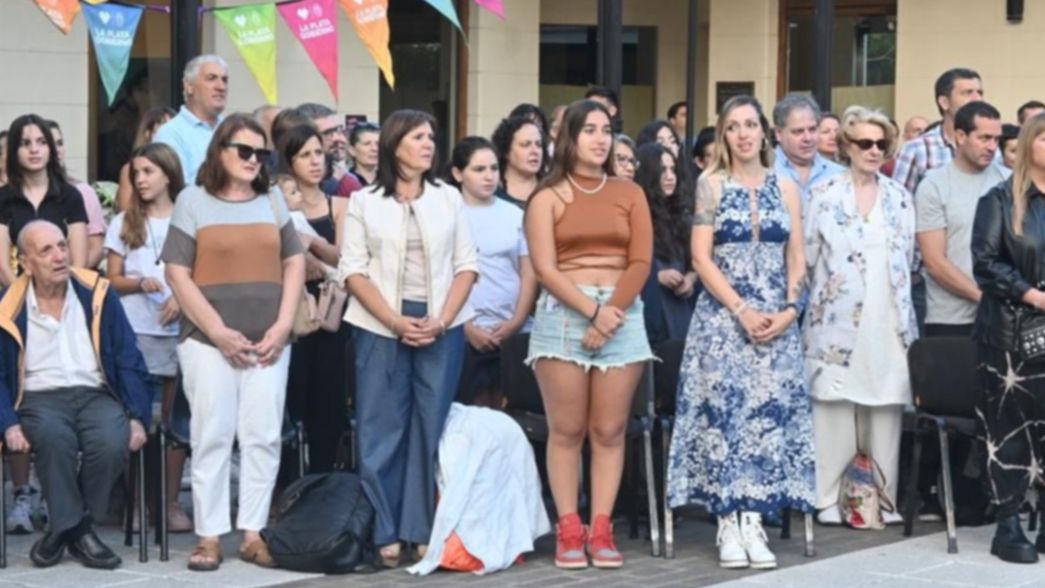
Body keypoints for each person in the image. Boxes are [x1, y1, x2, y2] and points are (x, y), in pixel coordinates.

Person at [667, 95, 813, 571]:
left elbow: (797, 256)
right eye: (734, 126)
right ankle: (728, 520)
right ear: (723, 134)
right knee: (725, 417)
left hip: (777, 317)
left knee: (767, 418)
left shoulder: (786, 187)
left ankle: (756, 517)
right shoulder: (711, 185)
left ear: (765, 132)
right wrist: (741, 309)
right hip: (724, 321)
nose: (744, 133)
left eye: (752, 124)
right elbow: (701, 258)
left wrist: (791, 310)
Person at [162, 114, 306, 571]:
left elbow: (295, 261)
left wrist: (284, 325)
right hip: (207, 341)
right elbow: (177, 273)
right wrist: (218, 332)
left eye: (260, 153)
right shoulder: (192, 200)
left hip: (269, 340)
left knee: (263, 436)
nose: (252, 160)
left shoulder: (273, 200)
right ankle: (208, 536)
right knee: (212, 435)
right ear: (219, 151)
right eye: (243, 150)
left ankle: (252, 531)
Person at [339, 109, 478, 567]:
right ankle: (385, 528)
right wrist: (396, 321)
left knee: (429, 426)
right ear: (395, 144)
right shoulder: (364, 202)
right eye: (419, 137)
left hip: (442, 323)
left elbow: (466, 265)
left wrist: (441, 319)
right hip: (379, 324)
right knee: (381, 428)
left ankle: (420, 528)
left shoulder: (448, 198)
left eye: (431, 137)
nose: (428, 145)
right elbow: (353, 270)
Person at [525, 99, 654, 570]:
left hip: (621, 312)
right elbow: (544, 266)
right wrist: (591, 312)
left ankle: (601, 526)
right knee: (567, 429)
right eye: (590, 130)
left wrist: (610, 312)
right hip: (564, 312)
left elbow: (641, 260)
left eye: (607, 130)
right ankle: (568, 526)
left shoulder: (629, 192)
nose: (601, 139)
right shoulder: (547, 195)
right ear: (570, 138)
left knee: (609, 429)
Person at [0, 220, 152, 570]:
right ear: (25, 262)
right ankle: (82, 532)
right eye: (46, 250)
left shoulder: (97, 291)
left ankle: (63, 530)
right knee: (54, 439)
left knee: (113, 441)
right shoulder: (9, 307)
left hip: (96, 392)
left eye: (62, 246)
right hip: (39, 396)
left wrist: (136, 416)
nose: (59, 256)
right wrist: (8, 423)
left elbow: (128, 357)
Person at [803, 105, 917, 527]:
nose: (874, 151)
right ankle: (828, 498)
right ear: (847, 146)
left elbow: (910, 258)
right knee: (833, 407)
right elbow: (808, 259)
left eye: (881, 144)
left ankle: (882, 498)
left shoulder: (900, 197)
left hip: (888, 317)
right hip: (835, 319)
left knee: (885, 408)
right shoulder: (823, 194)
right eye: (865, 143)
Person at [104, 142, 192, 533]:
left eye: (148, 172)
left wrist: (180, 298)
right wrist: (140, 283)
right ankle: (136, 503)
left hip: (179, 331)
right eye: (135, 173)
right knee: (136, 419)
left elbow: (203, 270)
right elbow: (112, 279)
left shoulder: (190, 217)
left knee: (175, 422)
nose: (140, 180)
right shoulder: (124, 221)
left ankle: (170, 501)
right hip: (136, 332)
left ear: (168, 174)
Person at [971, 112, 1045, 564]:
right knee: (1011, 429)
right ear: (1033, 143)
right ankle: (1009, 525)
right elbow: (985, 263)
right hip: (1010, 333)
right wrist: (1032, 294)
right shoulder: (1000, 199)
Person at [279, 124, 348, 474]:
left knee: (329, 405)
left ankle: (324, 485)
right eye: (305, 155)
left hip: (331, 318)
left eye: (318, 153)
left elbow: (346, 258)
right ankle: (285, 486)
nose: (314, 161)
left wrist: (312, 246)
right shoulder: (275, 206)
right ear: (290, 162)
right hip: (289, 316)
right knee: (289, 404)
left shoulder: (341, 204)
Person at [448, 136, 537, 407]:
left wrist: (516, 321)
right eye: (479, 169)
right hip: (461, 333)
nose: (489, 176)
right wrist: (467, 328)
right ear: (457, 173)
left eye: (494, 168)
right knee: (472, 413)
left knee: (513, 413)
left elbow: (529, 273)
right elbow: (437, 279)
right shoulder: (447, 215)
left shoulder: (515, 214)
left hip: (514, 332)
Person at [918, 101, 1008, 338]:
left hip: (1007, 318)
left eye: (996, 140)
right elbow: (935, 262)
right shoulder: (934, 186)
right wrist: (985, 299)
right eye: (984, 138)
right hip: (950, 319)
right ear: (960, 136)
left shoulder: (1009, 182)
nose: (992, 147)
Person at [0, 115, 88, 284]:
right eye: (25, 143)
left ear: (50, 149)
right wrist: (24, 300)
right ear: (14, 151)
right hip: (16, 296)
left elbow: (79, 263)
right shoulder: (3, 198)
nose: (34, 149)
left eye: (42, 142)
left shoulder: (71, 196)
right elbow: (2, 266)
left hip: (65, 295)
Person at [635, 143, 696, 344]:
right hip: (650, 311)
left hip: (681, 310)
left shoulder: (682, 215)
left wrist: (690, 279)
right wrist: (657, 276)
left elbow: (696, 261)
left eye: (673, 169)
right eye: (662, 170)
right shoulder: (635, 214)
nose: (670, 176)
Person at [892, 68, 984, 194]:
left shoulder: (993, 148)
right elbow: (900, 202)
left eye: (980, 92)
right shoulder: (917, 149)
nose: (977, 99)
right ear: (944, 102)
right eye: (967, 93)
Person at [154, 54, 228, 185]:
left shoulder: (232, 130)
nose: (221, 87)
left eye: (224, 80)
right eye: (211, 78)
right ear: (189, 86)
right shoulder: (171, 133)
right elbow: (179, 190)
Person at [45, 120, 108, 268]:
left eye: (60, 143)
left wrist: (74, 279)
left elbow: (96, 247)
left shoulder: (83, 192)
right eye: (50, 143)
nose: (57, 150)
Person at [772, 94, 844, 207]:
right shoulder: (764, 172)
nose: (808, 138)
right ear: (779, 134)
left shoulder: (839, 176)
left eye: (812, 129)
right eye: (798, 131)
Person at [116, 106, 176, 212]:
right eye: (165, 131)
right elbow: (126, 212)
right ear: (148, 134)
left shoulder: (178, 165)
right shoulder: (130, 169)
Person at [297, 103, 353, 195]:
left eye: (339, 130)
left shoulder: (348, 183)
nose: (339, 139)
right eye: (328, 133)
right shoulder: (285, 183)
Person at [492, 115, 545, 209]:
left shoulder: (554, 188)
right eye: (525, 144)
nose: (535, 151)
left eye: (538, 144)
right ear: (506, 151)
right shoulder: (491, 191)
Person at [346, 122, 379, 187]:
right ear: (352, 150)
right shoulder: (345, 182)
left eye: (378, 144)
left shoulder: (390, 182)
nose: (375, 149)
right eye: (367, 144)